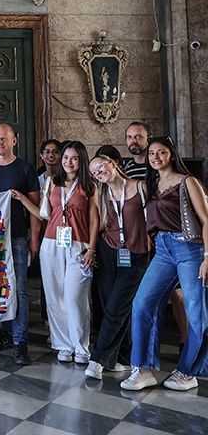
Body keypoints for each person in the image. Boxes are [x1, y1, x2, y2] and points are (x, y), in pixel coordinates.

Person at [121, 137, 208, 391]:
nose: (155, 157)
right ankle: (143, 369)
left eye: (161, 152)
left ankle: (188, 372)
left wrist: (207, 257)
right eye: (151, 153)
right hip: (163, 250)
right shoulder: (151, 183)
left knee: (196, 312)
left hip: (190, 249)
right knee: (142, 303)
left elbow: (206, 219)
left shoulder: (187, 181)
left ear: (171, 155)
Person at [14, 141, 98, 364]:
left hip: (78, 245)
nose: (69, 162)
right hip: (51, 244)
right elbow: (44, 214)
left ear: (81, 160)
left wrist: (92, 248)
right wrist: (23, 199)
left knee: (74, 297)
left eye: (74, 158)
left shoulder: (90, 186)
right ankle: (63, 345)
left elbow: (94, 219)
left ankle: (81, 346)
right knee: (55, 297)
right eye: (66, 158)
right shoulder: (52, 182)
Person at [0, 124, 40, 366]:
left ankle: (21, 340)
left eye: (4, 138)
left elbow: (35, 208)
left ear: (14, 141)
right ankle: (7, 332)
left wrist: (34, 238)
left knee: (19, 289)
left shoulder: (25, 168)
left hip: (18, 237)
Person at [84, 154, 149, 379]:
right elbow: (97, 222)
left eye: (100, 166)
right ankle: (121, 357)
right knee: (111, 307)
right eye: (94, 172)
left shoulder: (140, 188)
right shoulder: (101, 193)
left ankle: (97, 359)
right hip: (109, 252)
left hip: (136, 254)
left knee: (116, 307)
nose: (98, 173)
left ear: (112, 163)